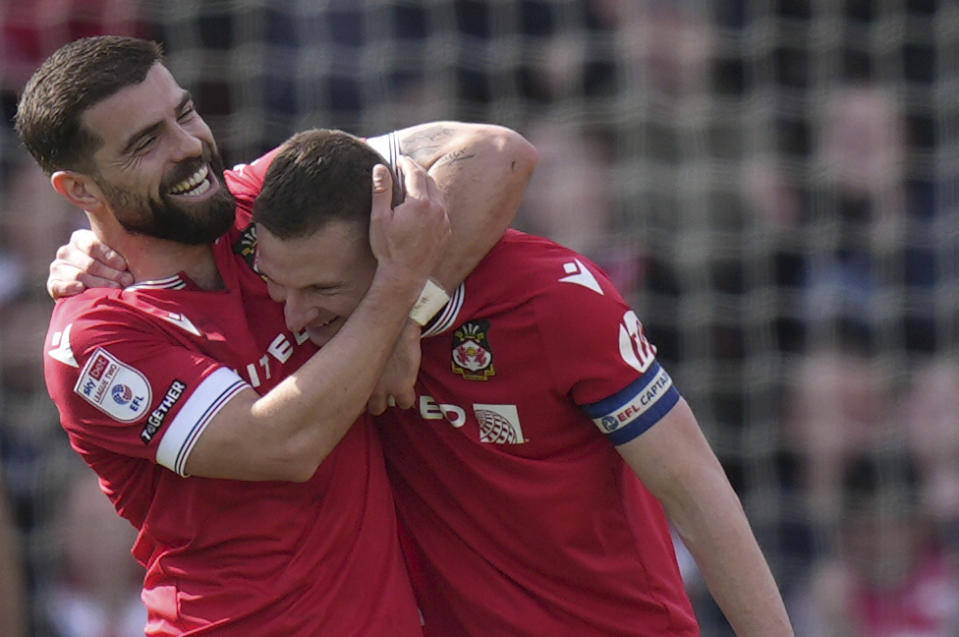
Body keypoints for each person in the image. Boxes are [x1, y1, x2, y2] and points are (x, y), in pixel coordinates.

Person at [19, 35, 536, 635]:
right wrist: (393, 292)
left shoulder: (265, 203)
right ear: (80, 190)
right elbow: (283, 444)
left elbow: (497, 154)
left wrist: (408, 318)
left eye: (184, 113)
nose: (189, 147)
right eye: (146, 143)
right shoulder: (95, 339)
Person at [249, 129, 794, 636]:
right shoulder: (320, 339)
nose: (294, 317)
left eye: (322, 287)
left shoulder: (555, 300)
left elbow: (696, 493)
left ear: (396, 243)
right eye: (279, 285)